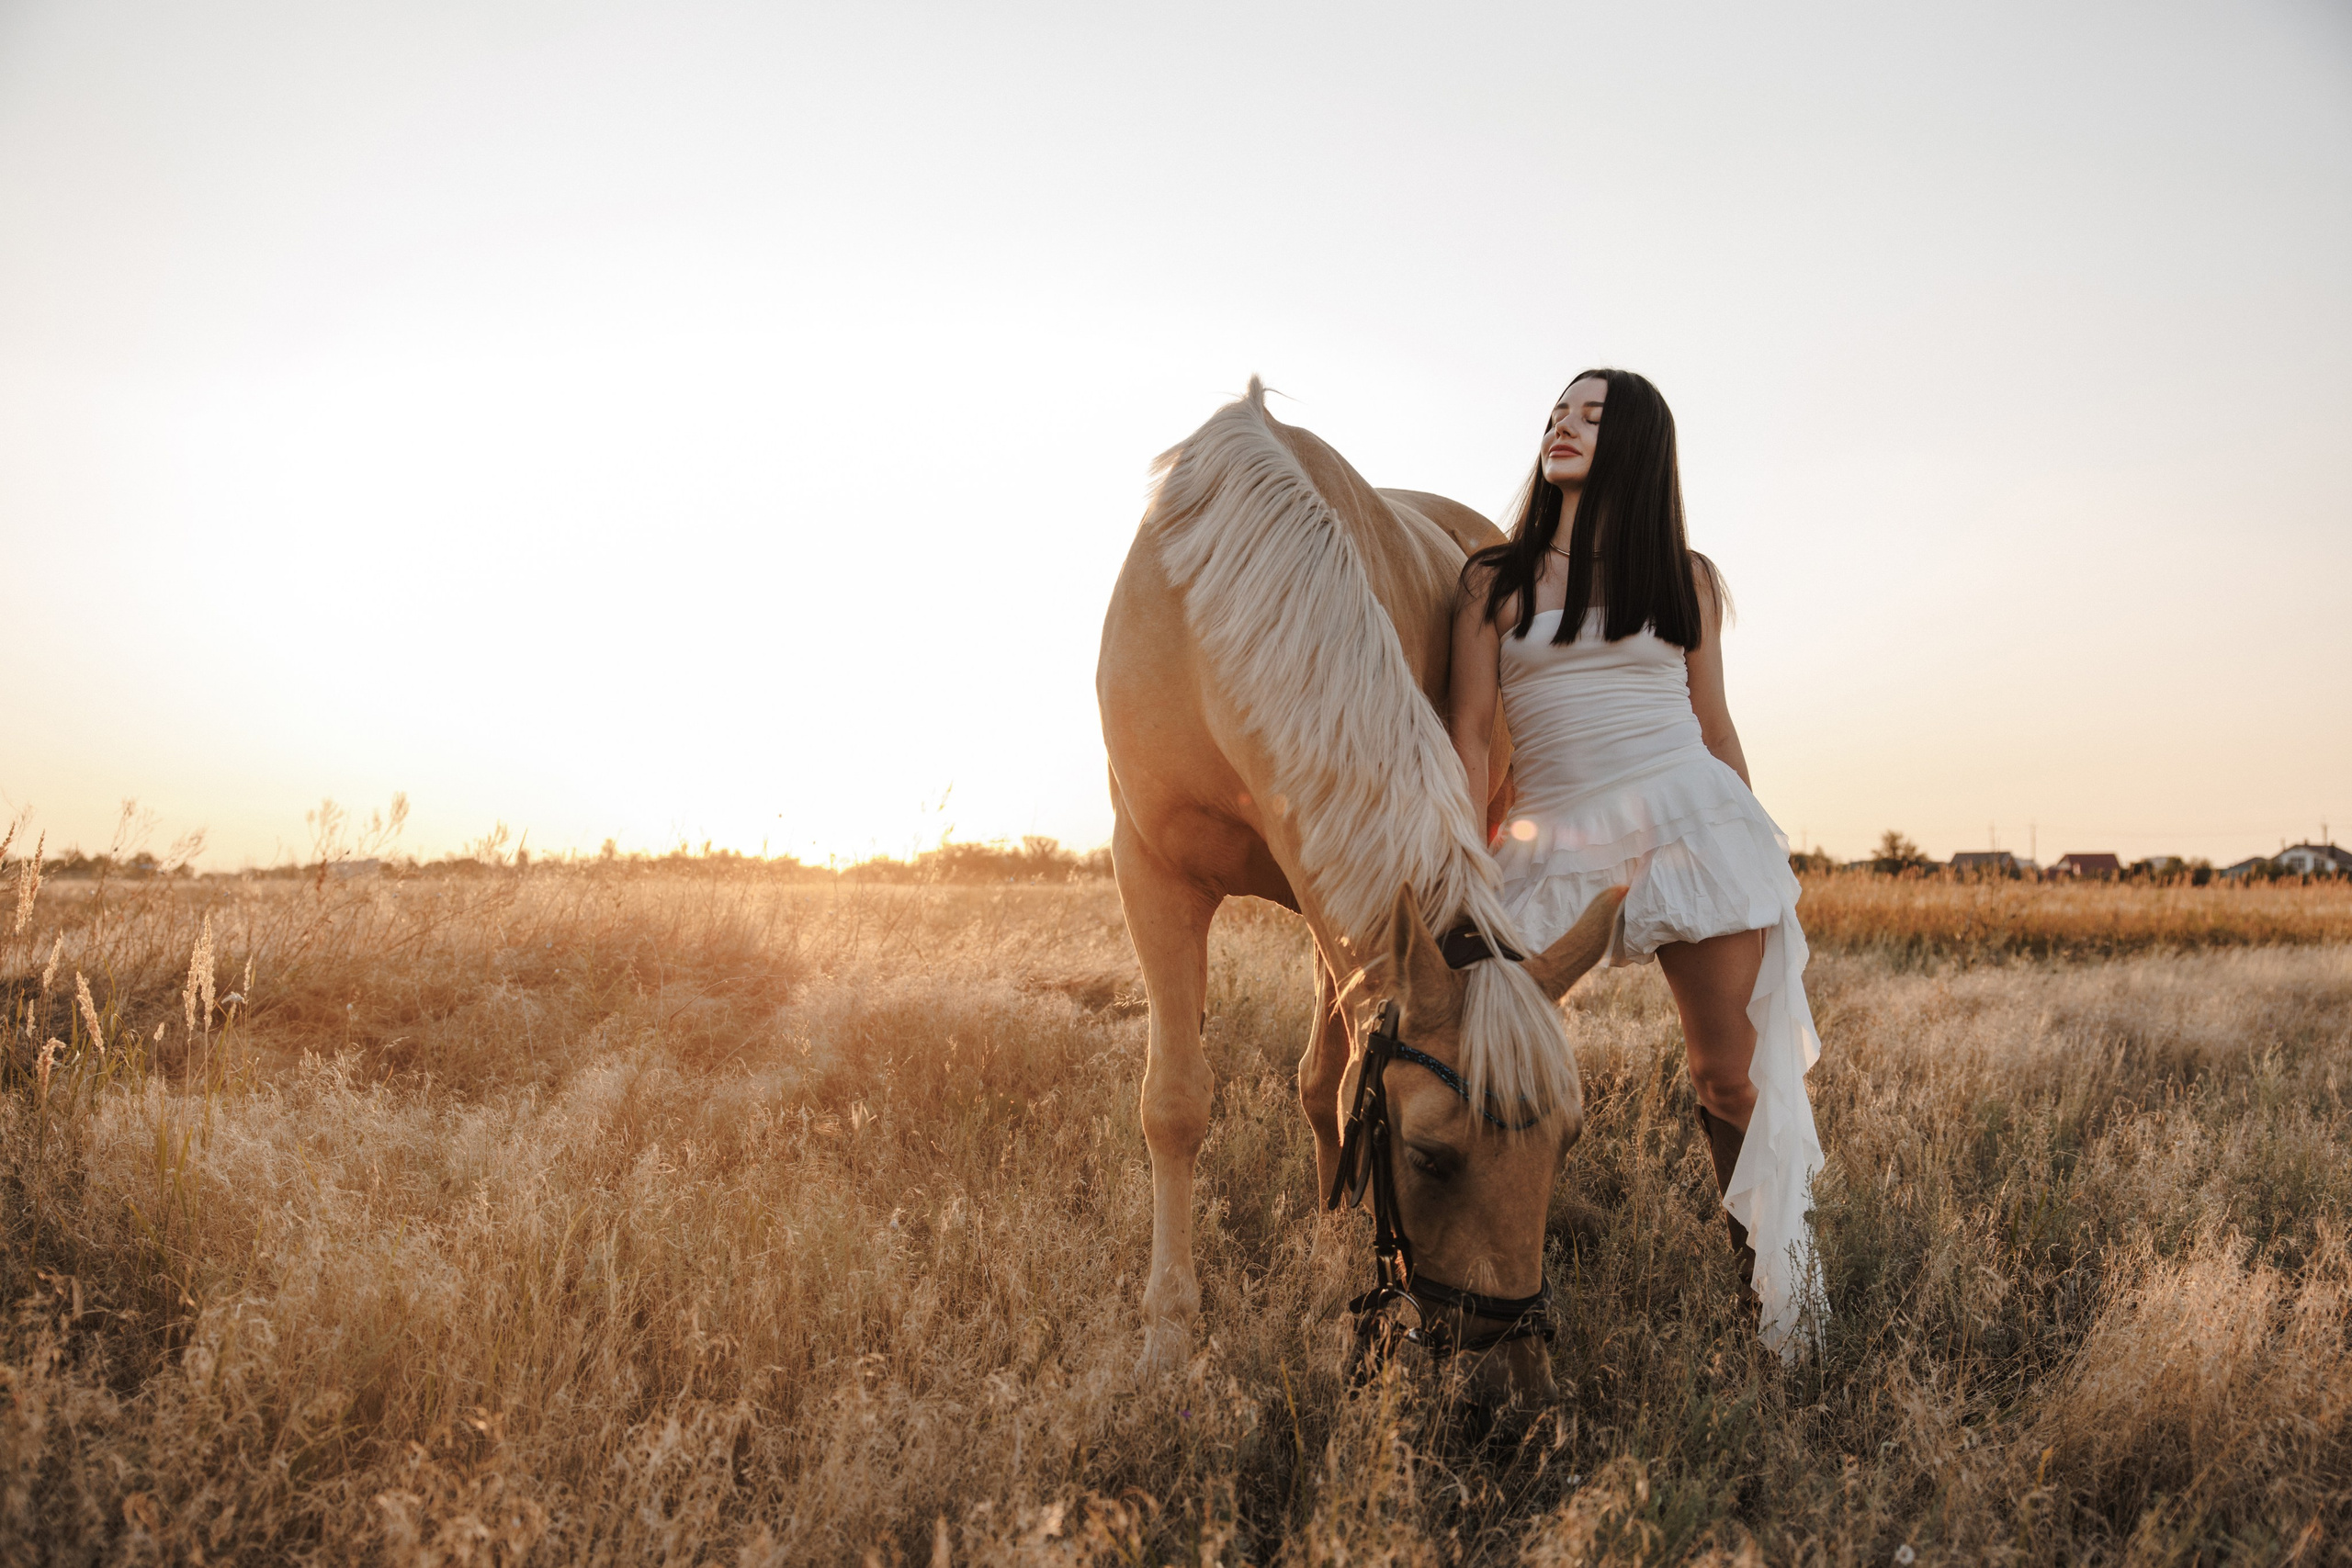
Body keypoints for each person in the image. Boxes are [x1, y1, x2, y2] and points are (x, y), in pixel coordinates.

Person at [1446, 368, 1826, 1354]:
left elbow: (1714, 725)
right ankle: (1473, 1294)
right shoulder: (1493, 580)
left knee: (1728, 1078)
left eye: (1590, 414)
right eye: (1554, 413)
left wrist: (1751, 841)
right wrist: (1457, 860)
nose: (1561, 426)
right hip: (1549, 840)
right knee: (1474, 1059)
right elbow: (1469, 733)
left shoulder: (1686, 578)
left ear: (1639, 443)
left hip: (1689, 819)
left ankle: (1775, 1306)